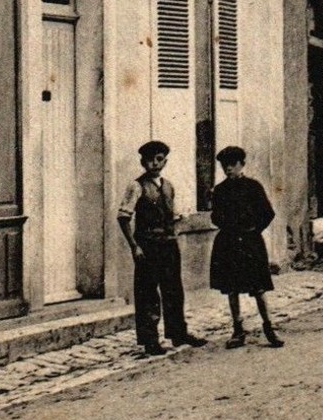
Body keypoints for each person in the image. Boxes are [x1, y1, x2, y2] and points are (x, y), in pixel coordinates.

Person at [117, 140, 207, 356]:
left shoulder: (169, 186)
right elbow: (123, 217)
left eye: (159, 159)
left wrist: (175, 229)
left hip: (168, 244)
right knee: (148, 293)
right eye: (149, 160)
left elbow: (174, 215)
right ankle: (150, 340)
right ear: (142, 161)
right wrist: (134, 246)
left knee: (174, 290)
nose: (154, 164)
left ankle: (178, 333)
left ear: (165, 161)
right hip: (148, 246)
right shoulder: (136, 186)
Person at [209, 146, 283, 349]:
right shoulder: (220, 190)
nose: (228, 169)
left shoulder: (253, 187)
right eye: (225, 166)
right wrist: (225, 223)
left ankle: (269, 328)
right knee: (231, 288)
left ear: (242, 164)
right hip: (228, 243)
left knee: (258, 287)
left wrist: (253, 229)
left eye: (232, 165)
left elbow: (268, 213)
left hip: (250, 243)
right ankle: (238, 330)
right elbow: (215, 216)